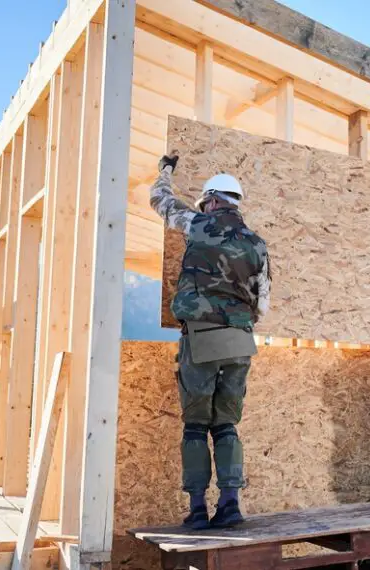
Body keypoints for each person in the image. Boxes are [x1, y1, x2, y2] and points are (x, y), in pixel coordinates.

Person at [150, 153, 271, 530]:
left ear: (214, 200)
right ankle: (231, 504)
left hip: (200, 339)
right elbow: (263, 302)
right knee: (227, 425)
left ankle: (198, 510)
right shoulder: (258, 244)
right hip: (239, 341)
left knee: (195, 426)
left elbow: (160, 201)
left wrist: (165, 170)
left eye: (207, 201)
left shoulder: (197, 224)